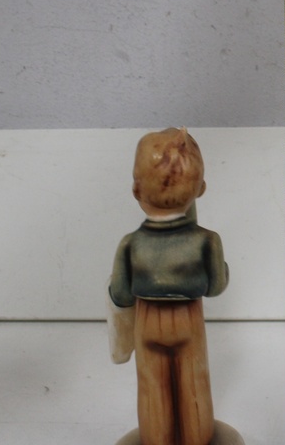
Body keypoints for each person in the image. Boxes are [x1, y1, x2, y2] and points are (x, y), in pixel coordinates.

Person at [108, 127, 228, 445]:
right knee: (194, 384)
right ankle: (197, 439)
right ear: (201, 188)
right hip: (189, 321)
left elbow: (121, 294)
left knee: (152, 388)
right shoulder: (207, 240)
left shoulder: (130, 243)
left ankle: (155, 439)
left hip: (147, 322)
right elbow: (216, 287)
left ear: (136, 189)